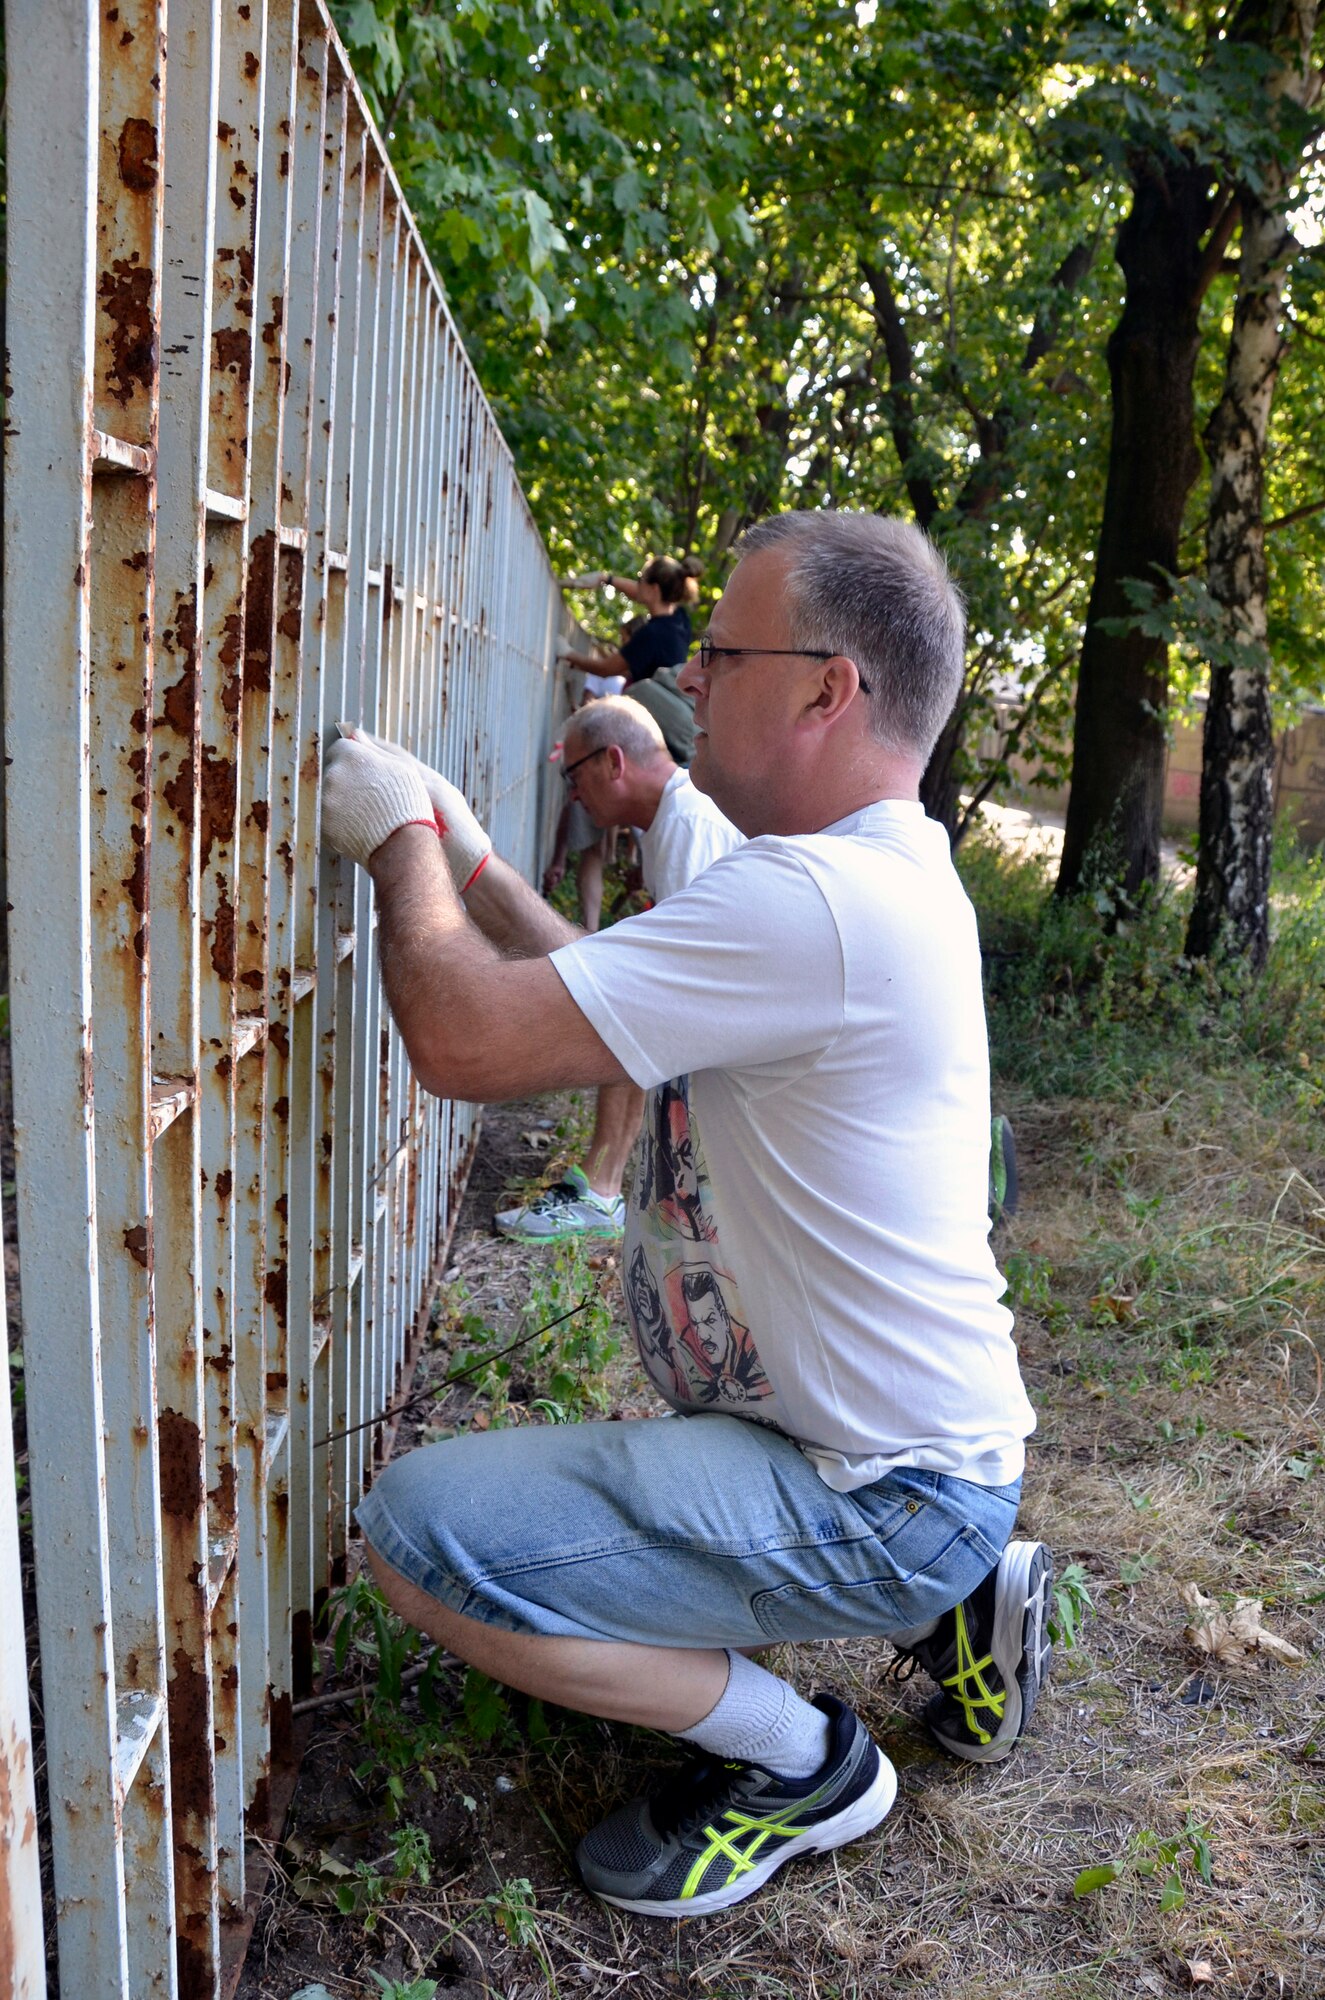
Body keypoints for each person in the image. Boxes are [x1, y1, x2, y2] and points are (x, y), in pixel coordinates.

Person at [320, 511, 1050, 1921]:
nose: (692, 679)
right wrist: (474, 868)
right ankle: (950, 1591)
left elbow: (468, 1041)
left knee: (420, 1538)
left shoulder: (812, 904)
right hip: (901, 1440)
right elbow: (621, 992)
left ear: (828, 687)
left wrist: (400, 839)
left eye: (723, 651)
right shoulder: (872, 874)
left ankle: (807, 1764)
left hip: (876, 1486)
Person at [497, 697, 742, 1244]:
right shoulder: (669, 820)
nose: (573, 795)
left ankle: (602, 1191)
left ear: (613, 761)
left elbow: (680, 989)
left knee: (630, 1002)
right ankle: (603, 1187)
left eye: (574, 776)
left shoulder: (688, 826)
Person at [560, 556, 693, 686]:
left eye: (640, 579)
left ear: (654, 589)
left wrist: (566, 652)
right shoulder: (680, 619)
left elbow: (605, 669)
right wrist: (605, 579)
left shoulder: (651, 635)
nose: (637, 584)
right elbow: (640, 593)